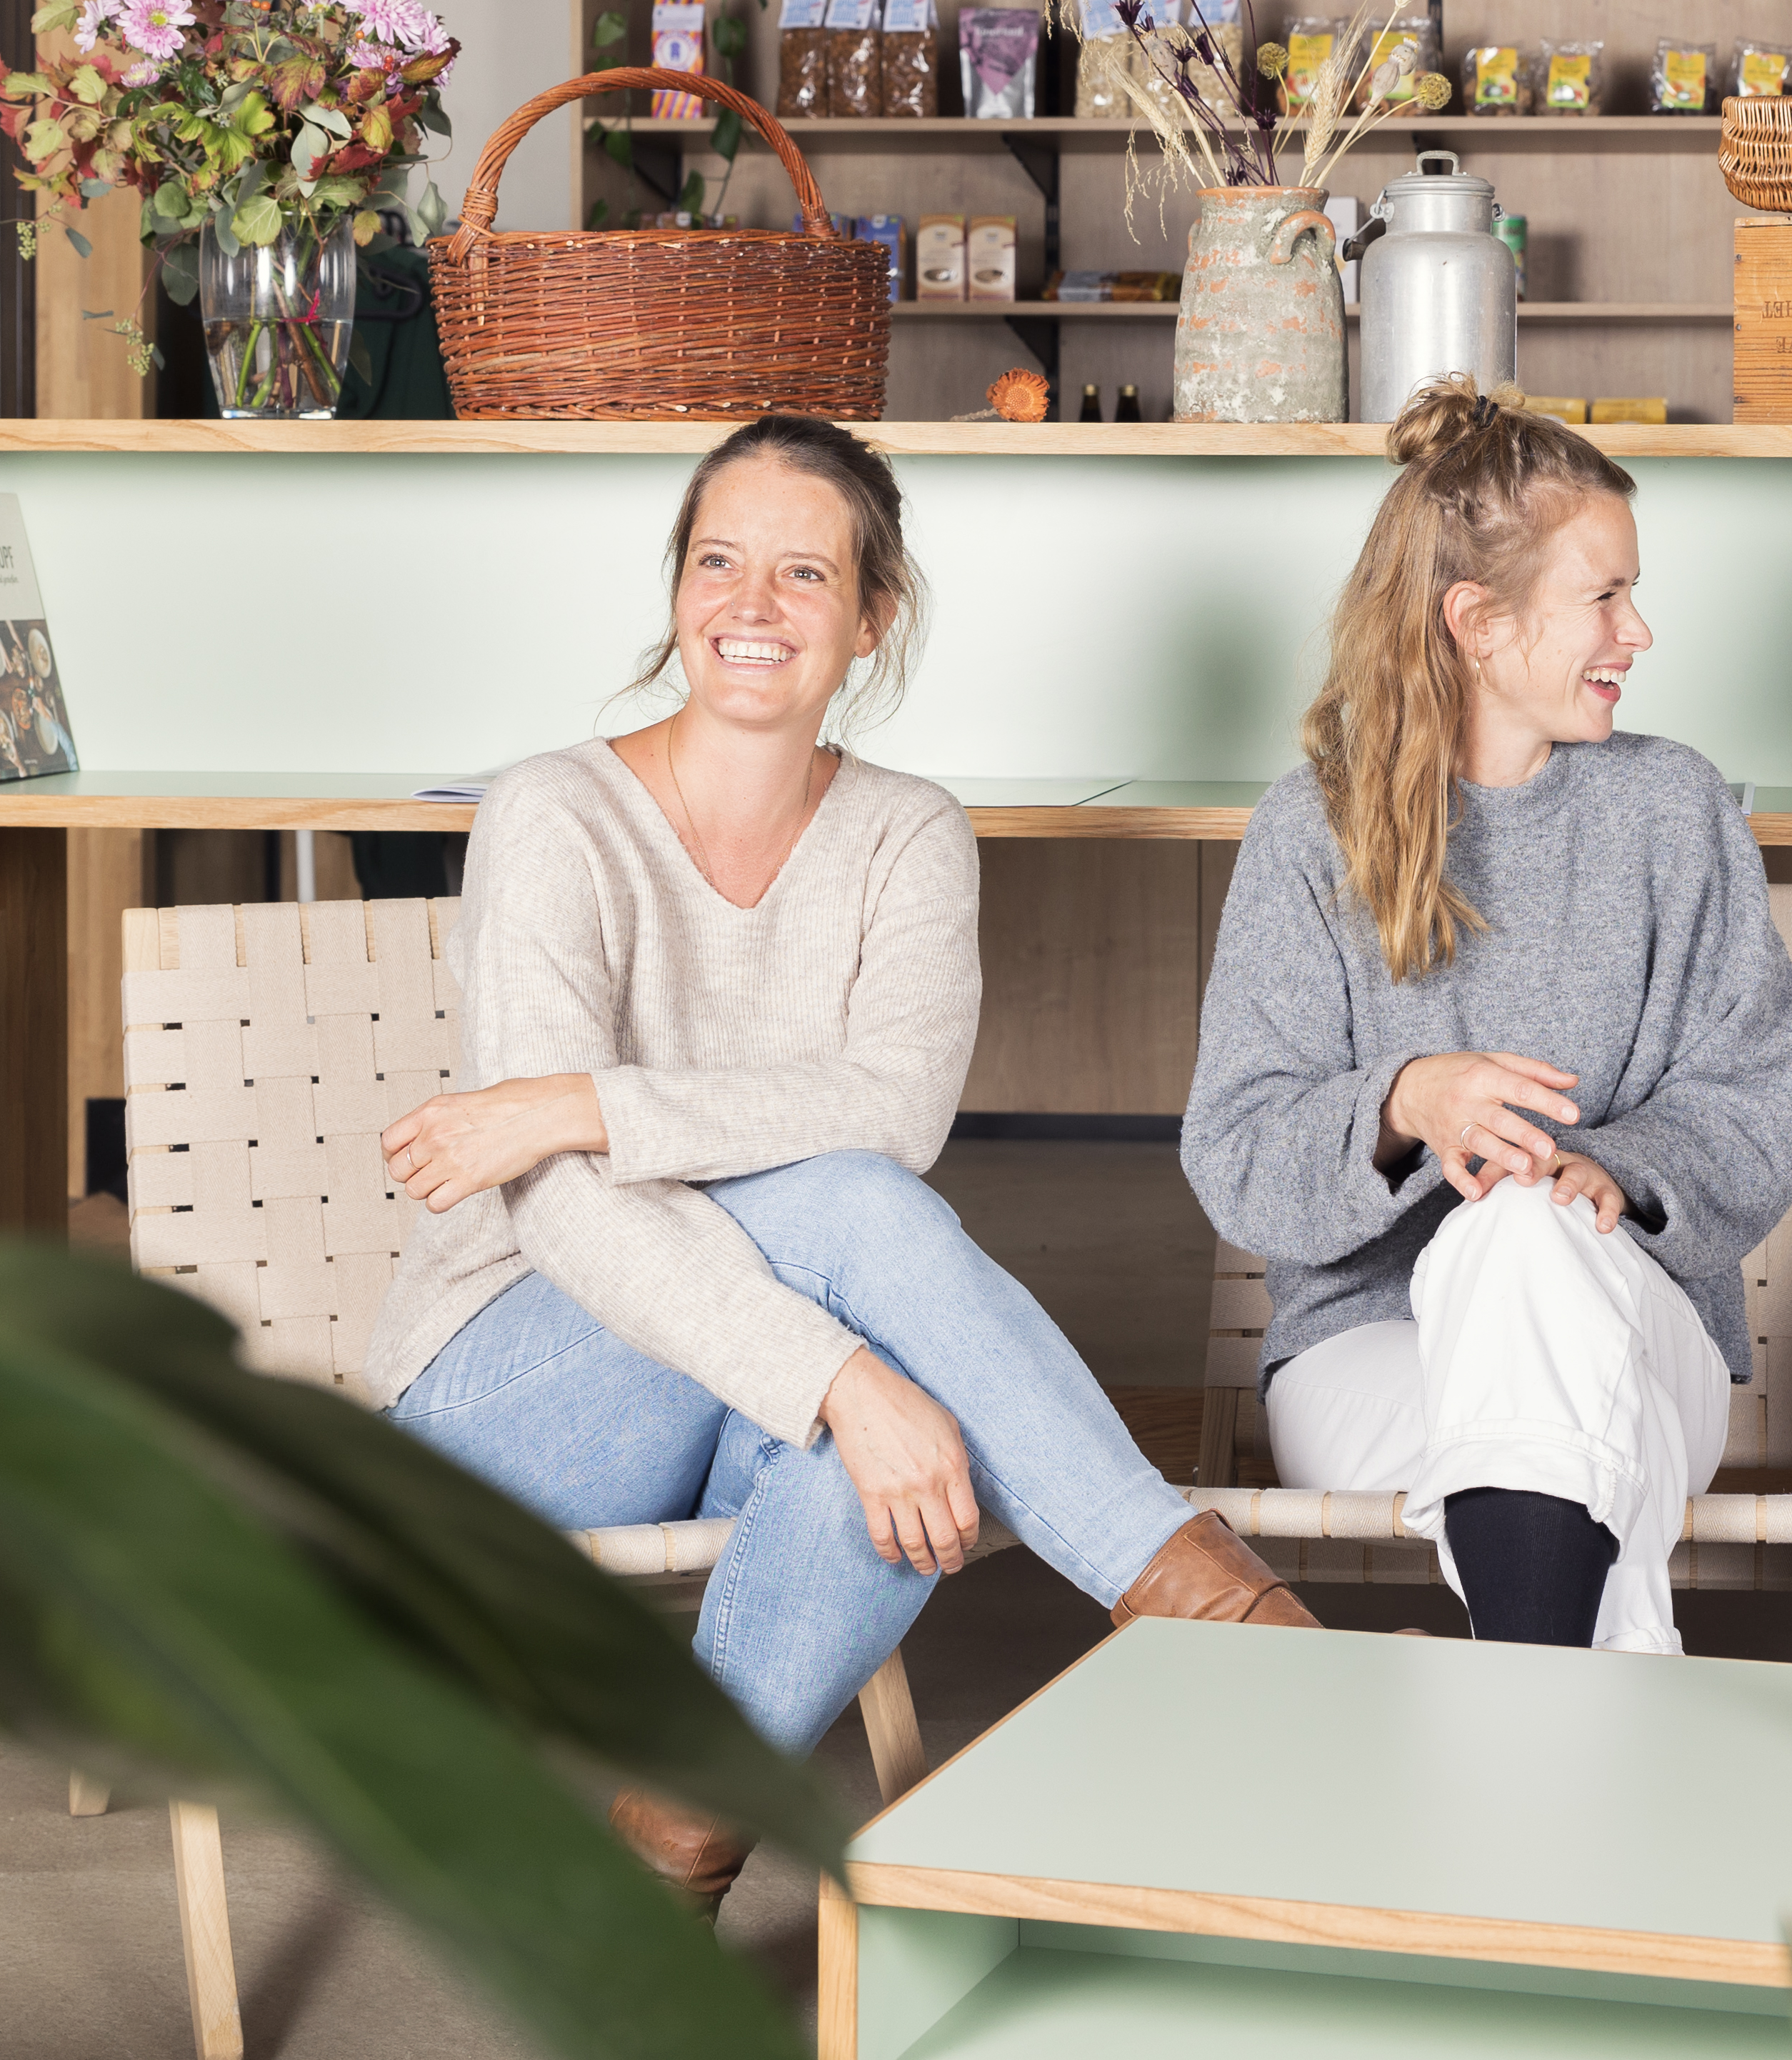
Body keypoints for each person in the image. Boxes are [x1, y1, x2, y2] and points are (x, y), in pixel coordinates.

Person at [362, 414, 1316, 1916]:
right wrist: (839, 1375)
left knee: (896, 1446)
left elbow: (895, 1108)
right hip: (516, 1394)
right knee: (866, 1285)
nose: (753, 606)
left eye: (804, 573)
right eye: (720, 562)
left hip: (742, 1373)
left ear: (871, 621)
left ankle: (675, 1840)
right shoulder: (555, 815)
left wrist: (585, 1103)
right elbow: (566, 1213)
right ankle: (1204, 1600)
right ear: (678, 588)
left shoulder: (908, 834)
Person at [1183, 380, 1792, 1655]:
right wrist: (1404, 1102)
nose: (1638, 633)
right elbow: (1239, 1150)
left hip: (1644, 1334)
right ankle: (1565, 1737)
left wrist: (1610, 1174)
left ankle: (1520, 1730)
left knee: (1527, 1234)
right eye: (1605, 597)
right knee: (1568, 1421)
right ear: (1476, 621)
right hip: (1370, 1359)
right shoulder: (1310, 832)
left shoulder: (1673, 811)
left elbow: (1762, 1095)